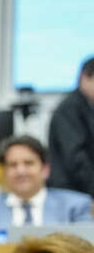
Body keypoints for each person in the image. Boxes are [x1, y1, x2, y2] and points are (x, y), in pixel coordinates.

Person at [0, 135, 92, 243]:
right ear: (5, 171)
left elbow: (88, 251)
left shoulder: (75, 206)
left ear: (45, 169)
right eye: (13, 165)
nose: (20, 171)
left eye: (28, 163)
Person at [48, 56, 94, 196]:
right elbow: (76, 158)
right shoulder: (69, 110)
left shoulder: (87, 106)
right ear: (83, 78)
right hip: (70, 193)